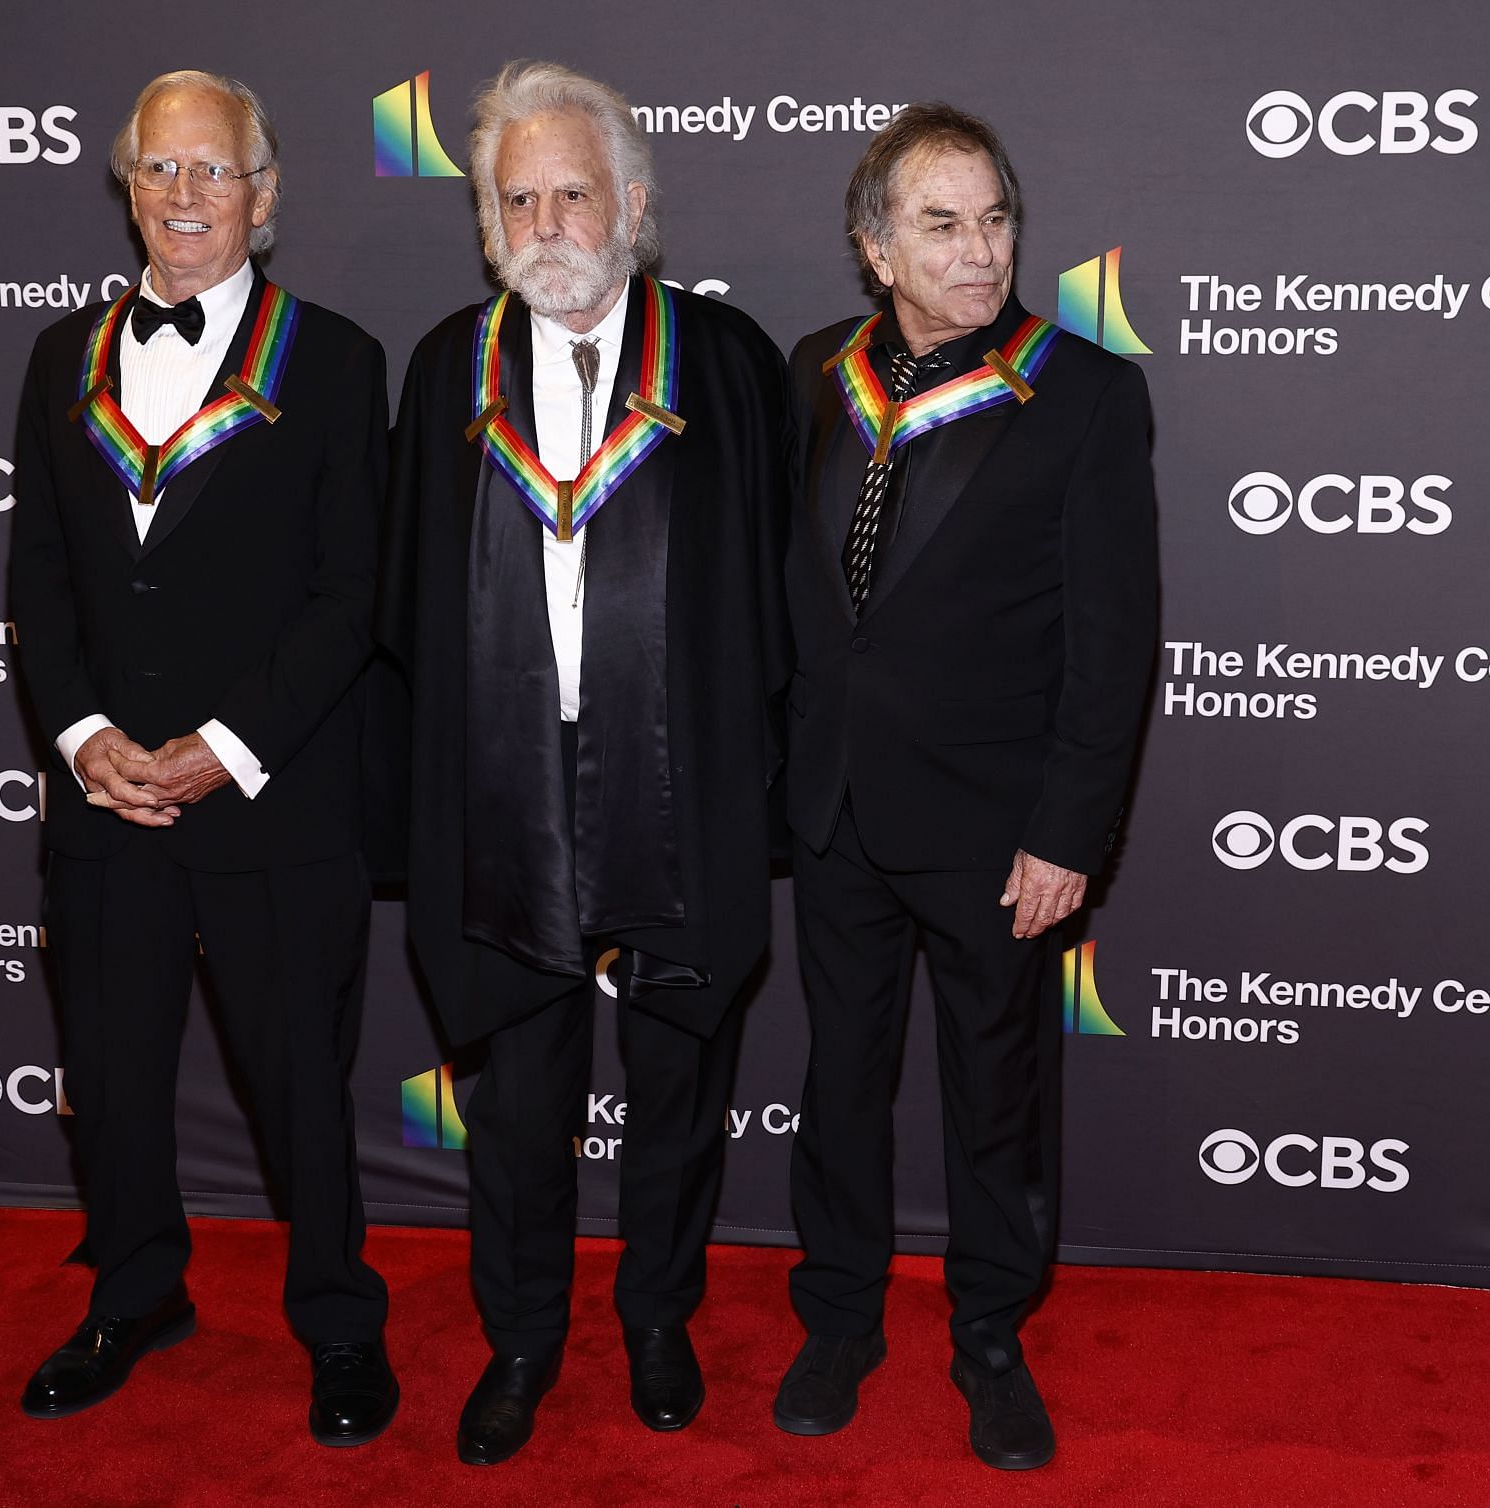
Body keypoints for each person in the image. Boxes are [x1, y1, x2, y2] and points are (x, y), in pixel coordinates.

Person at [377, 60, 793, 1466]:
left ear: (633, 205)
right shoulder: (447, 369)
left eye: (574, 192)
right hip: (502, 780)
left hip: (678, 783)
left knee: (678, 1084)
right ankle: (521, 1340)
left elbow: (777, 611)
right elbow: (402, 617)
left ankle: (659, 1321)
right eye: (519, 199)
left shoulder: (726, 366)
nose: (549, 222)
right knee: (519, 1102)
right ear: (487, 222)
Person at [8, 70, 396, 1445]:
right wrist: (83, 738)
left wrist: (230, 748)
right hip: (107, 801)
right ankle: (135, 1295)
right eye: (159, 171)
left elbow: (355, 594)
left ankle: (342, 1323)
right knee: (110, 1076)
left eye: (212, 172)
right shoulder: (62, 360)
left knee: (300, 1081)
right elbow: (40, 580)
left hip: (274, 800)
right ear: (127, 189)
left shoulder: (338, 362)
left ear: (265, 196)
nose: (184, 197)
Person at [774, 104, 1158, 1470]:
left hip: (998, 836)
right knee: (840, 1084)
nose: (981, 250)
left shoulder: (1088, 394)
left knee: (997, 1099)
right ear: (877, 248)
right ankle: (838, 1321)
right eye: (942, 225)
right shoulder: (818, 372)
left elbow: (1117, 645)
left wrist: (1070, 833)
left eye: (994, 218)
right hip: (832, 815)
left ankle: (991, 1336)